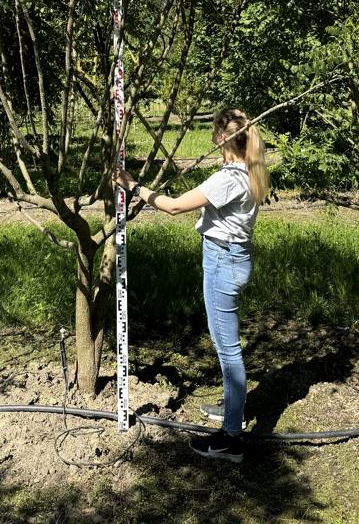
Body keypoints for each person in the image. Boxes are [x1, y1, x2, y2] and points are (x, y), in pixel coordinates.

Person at [117, 107, 269, 463]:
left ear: (220, 138)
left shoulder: (229, 178)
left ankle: (231, 438)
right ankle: (233, 409)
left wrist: (133, 186)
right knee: (226, 346)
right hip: (233, 258)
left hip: (223, 262)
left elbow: (172, 206)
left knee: (227, 350)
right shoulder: (250, 169)